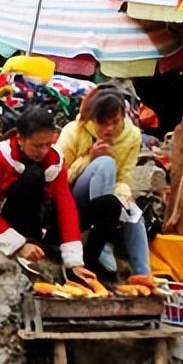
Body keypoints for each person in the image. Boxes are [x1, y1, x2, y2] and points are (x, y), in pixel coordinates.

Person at [0, 106, 97, 286]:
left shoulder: (55, 162)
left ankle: (39, 242)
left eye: (48, 144)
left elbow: (65, 206)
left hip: (36, 218)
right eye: (38, 145)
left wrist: (74, 261)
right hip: (5, 216)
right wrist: (18, 245)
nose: (44, 151)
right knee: (34, 175)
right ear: (20, 139)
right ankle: (24, 242)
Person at [55, 83, 153, 277]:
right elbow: (57, 177)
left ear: (123, 116)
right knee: (105, 163)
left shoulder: (132, 136)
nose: (108, 129)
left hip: (110, 195)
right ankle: (100, 236)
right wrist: (88, 159)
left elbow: (124, 176)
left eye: (114, 122)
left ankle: (144, 276)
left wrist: (123, 198)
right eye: (102, 123)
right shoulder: (74, 131)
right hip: (75, 201)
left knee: (135, 216)